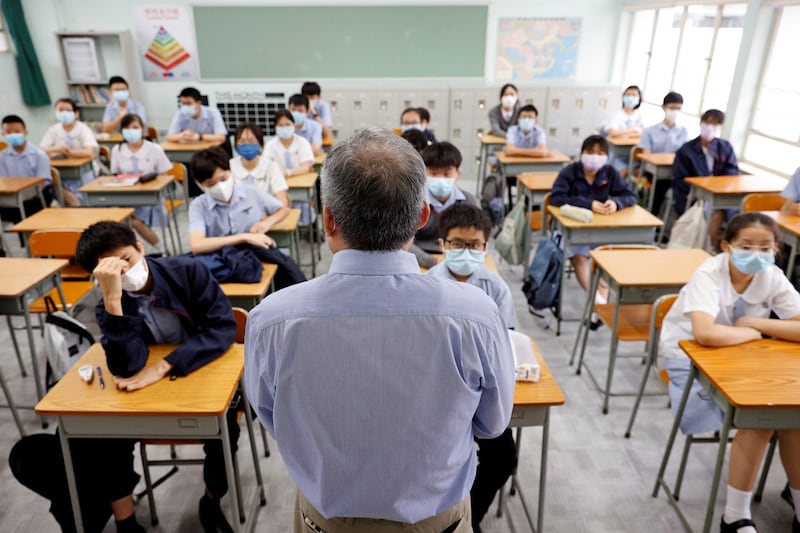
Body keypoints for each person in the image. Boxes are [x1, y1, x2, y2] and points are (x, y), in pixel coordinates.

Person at [243, 127, 514, 533]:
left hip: (325, 520)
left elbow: (273, 418)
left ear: (328, 220)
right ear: (423, 216)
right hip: (435, 521)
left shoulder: (271, 319)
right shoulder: (475, 314)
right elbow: (492, 424)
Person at [10, 221, 240, 533]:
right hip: (143, 392)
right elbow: (128, 366)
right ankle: (126, 521)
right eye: (111, 270)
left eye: (127, 260)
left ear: (141, 248)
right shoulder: (106, 302)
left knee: (224, 427)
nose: (124, 272)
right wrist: (114, 302)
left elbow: (222, 327)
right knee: (101, 431)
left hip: (199, 375)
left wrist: (164, 366)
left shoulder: (187, 271)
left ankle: (211, 501)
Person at [658, 212, 800, 533]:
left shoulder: (772, 276)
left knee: (794, 417)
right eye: (746, 245)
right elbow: (706, 334)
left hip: (747, 360)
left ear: (777, 249)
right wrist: (755, 335)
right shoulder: (709, 274)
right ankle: (734, 517)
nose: (757, 254)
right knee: (762, 417)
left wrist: (756, 325)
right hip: (691, 359)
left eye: (765, 247)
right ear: (726, 246)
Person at [427, 203, 517, 532]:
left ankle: (471, 516)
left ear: (485, 246)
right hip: (442, 393)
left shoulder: (496, 288)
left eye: (474, 245)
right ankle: (447, 511)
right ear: (442, 244)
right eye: (457, 244)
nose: (466, 251)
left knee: (503, 458)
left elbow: (508, 343)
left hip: (482, 390)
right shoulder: (428, 287)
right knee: (444, 459)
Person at [189, 146, 305, 290]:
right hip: (220, 258)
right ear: (200, 185)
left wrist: (268, 222)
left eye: (223, 179)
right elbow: (197, 245)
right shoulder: (198, 205)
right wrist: (244, 237)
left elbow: (283, 209)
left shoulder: (251, 192)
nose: (219, 186)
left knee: (290, 276)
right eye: (211, 184)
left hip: (254, 254)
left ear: (230, 171)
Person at [550, 134, 637, 303]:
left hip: (600, 230)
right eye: (590, 152)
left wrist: (616, 203)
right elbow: (556, 198)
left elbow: (630, 196)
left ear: (606, 156)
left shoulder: (609, 172)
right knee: (580, 257)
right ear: (582, 153)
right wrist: (588, 204)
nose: (594, 157)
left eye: (600, 153)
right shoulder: (570, 171)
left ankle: (599, 305)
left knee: (606, 259)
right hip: (573, 230)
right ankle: (597, 302)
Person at [672, 109, 739, 249]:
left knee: (737, 213)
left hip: (720, 193)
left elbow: (732, 172)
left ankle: (723, 246)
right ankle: (706, 247)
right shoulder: (687, 150)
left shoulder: (725, 147)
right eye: (707, 122)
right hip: (694, 196)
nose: (710, 127)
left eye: (715, 124)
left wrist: (719, 185)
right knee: (715, 211)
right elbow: (680, 178)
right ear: (701, 123)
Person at [110, 114, 171, 254]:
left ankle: (161, 249)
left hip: (151, 196)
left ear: (143, 129)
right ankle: (127, 253)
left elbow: (164, 176)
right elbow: (115, 174)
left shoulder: (154, 148)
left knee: (135, 221)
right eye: (127, 128)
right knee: (119, 220)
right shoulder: (117, 150)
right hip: (126, 196)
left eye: (135, 127)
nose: (131, 131)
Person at [412, 141, 479, 266]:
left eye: (447, 174)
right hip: (418, 260)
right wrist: (431, 261)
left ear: (458, 174)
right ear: (423, 173)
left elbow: (477, 238)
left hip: (458, 260)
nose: (441, 179)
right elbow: (402, 241)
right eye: (433, 173)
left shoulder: (469, 202)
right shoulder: (413, 202)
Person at [636, 91, 688, 215]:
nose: (675, 111)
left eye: (678, 108)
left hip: (675, 171)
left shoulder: (683, 131)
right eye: (672, 108)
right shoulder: (650, 131)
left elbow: (684, 155)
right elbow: (647, 156)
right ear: (664, 107)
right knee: (661, 185)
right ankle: (652, 218)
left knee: (685, 186)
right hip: (652, 171)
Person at [40, 98, 100, 206]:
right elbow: (41, 150)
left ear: (76, 113)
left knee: (81, 198)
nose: (64, 113)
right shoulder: (53, 130)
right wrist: (56, 149)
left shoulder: (83, 129)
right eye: (60, 110)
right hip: (61, 171)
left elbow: (88, 152)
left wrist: (66, 152)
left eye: (68, 110)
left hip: (84, 171)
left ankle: (79, 206)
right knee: (51, 182)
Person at [0, 115, 52, 222]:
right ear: (3, 134)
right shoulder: (2, 157)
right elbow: (3, 182)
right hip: (11, 197)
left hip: (35, 195)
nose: (13, 135)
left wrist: (22, 195)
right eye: (9, 132)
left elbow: (41, 184)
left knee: (25, 208)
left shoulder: (39, 155)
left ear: (25, 132)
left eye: (17, 131)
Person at [230, 122, 290, 206]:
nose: (247, 145)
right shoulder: (229, 167)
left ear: (261, 144)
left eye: (251, 141)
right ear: (236, 145)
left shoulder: (271, 167)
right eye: (242, 141)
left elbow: (282, 199)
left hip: (267, 214)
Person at [604, 85, 644, 178]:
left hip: (634, 154)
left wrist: (625, 134)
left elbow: (644, 132)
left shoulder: (640, 114)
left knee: (640, 170)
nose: (630, 97)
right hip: (617, 154)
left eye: (634, 95)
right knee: (624, 171)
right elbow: (613, 133)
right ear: (623, 97)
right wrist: (633, 130)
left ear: (639, 98)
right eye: (628, 95)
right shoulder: (616, 114)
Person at [263, 110, 314, 178]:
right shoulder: (270, 145)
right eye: (280, 125)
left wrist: (288, 173)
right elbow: (265, 166)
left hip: (300, 180)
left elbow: (305, 167)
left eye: (288, 124)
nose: (284, 128)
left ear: (293, 124)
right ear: (275, 127)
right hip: (277, 181)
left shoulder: (302, 142)